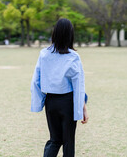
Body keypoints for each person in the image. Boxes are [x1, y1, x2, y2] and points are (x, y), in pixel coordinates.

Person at [31, 18, 89, 157]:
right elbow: (78, 86)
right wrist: (83, 108)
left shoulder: (44, 54)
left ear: (55, 33)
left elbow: (35, 81)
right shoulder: (73, 56)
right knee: (68, 141)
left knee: (55, 140)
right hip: (68, 102)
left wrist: (40, 102)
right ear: (70, 35)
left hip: (50, 102)